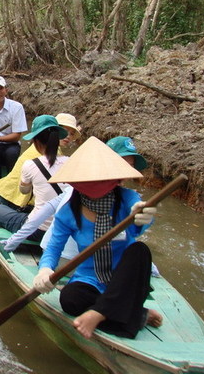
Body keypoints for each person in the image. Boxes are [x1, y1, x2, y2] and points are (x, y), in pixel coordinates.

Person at [32, 137, 162, 340]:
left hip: (122, 280)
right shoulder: (68, 212)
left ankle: (98, 313)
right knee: (70, 300)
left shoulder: (127, 198)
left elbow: (139, 222)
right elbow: (54, 248)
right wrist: (45, 269)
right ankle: (137, 315)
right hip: (91, 279)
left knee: (140, 251)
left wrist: (140, 217)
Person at [0, 115, 70, 246]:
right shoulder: (71, 161)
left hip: (38, 230)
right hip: (64, 231)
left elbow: (24, 190)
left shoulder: (30, 164)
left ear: (36, 141)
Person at [0, 113, 81, 211]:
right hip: (13, 199)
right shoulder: (47, 154)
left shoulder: (46, 148)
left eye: (72, 133)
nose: (68, 136)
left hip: (12, 194)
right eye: (65, 131)